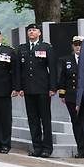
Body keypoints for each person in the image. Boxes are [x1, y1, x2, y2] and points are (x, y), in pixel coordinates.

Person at [16, 23, 57, 157]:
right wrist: (19, 87)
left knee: (45, 119)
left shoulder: (46, 47)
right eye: (29, 30)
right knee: (32, 120)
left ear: (39, 33)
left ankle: (47, 148)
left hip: (43, 89)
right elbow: (19, 70)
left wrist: (52, 87)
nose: (31, 32)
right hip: (28, 89)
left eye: (34, 30)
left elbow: (52, 68)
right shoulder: (22, 48)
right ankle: (37, 148)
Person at [58, 36, 84, 157]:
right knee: (76, 123)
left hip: (83, 96)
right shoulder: (66, 60)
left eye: (80, 44)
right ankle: (81, 149)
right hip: (71, 97)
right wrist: (62, 94)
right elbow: (62, 78)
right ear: (72, 46)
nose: (78, 47)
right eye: (76, 44)